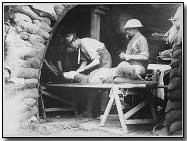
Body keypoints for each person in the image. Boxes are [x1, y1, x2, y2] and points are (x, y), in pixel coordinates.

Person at [65, 33, 112, 117]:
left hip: (104, 59)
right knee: (92, 84)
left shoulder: (85, 43)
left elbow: (96, 61)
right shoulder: (80, 48)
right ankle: (88, 111)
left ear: (76, 40)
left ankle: (103, 112)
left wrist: (86, 68)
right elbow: (84, 62)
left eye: (71, 44)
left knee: (103, 83)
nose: (72, 47)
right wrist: (77, 72)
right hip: (97, 61)